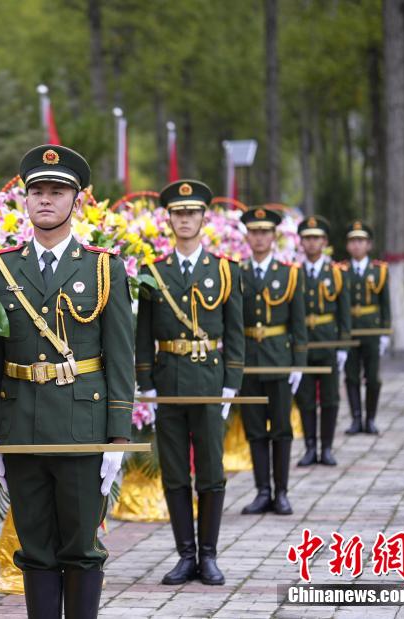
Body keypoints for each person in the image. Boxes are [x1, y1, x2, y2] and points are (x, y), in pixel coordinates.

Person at [0, 145, 134, 617]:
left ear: (76, 201)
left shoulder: (103, 267)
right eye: (37, 191)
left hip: (82, 428)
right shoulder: (0, 268)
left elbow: (119, 356)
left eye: (57, 191)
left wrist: (117, 437)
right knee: (35, 549)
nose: (46, 199)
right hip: (21, 425)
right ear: (25, 200)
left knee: (81, 548)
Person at [135, 179, 244, 586]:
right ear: (169, 219)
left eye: (192, 213)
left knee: (211, 471)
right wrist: (146, 383)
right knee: (175, 471)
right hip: (168, 384)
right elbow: (142, 336)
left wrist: (231, 384)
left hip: (210, 382)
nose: (185, 219)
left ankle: (209, 555)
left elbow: (235, 333)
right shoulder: (153, 273)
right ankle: (185, 555)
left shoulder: (225, 271)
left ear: (203, 218)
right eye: (178, 213)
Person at [237, 207, 307, 516]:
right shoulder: (237, 273)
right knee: (254, 430)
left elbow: (298, 324)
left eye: (265, 232)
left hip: (279, 359)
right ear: (247, 237)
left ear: (274, 236)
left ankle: (281, 492)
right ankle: (262, 491)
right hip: (248, 361)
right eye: (254, 232)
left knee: (281, 429)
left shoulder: (289, 274)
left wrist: (298, 362)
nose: (259, 237)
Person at [294, 215, 351, 466]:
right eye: (307, 238)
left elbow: (344, 314)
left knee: (329, 398)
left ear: (325, 241)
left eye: (316, 238)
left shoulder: (336, 274)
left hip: (328, 343)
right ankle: (310, 448)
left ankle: (326, 448)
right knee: (305, 398)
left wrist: (343, 346)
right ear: (301, 242)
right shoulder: (294, 274)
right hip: (303, 344)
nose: (312, 242)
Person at [341, 220, 391, 435]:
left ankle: (370, 419)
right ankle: (356, 419)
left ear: (369, 245)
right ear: (347, 245)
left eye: (361, 241)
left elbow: (385, 304)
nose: (357, 245)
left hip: (372, 330)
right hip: (350, 330)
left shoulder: (379, 270)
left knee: (373, 377)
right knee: (351, 376)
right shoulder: (341, 270)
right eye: (353, 241)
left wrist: (385, 332)